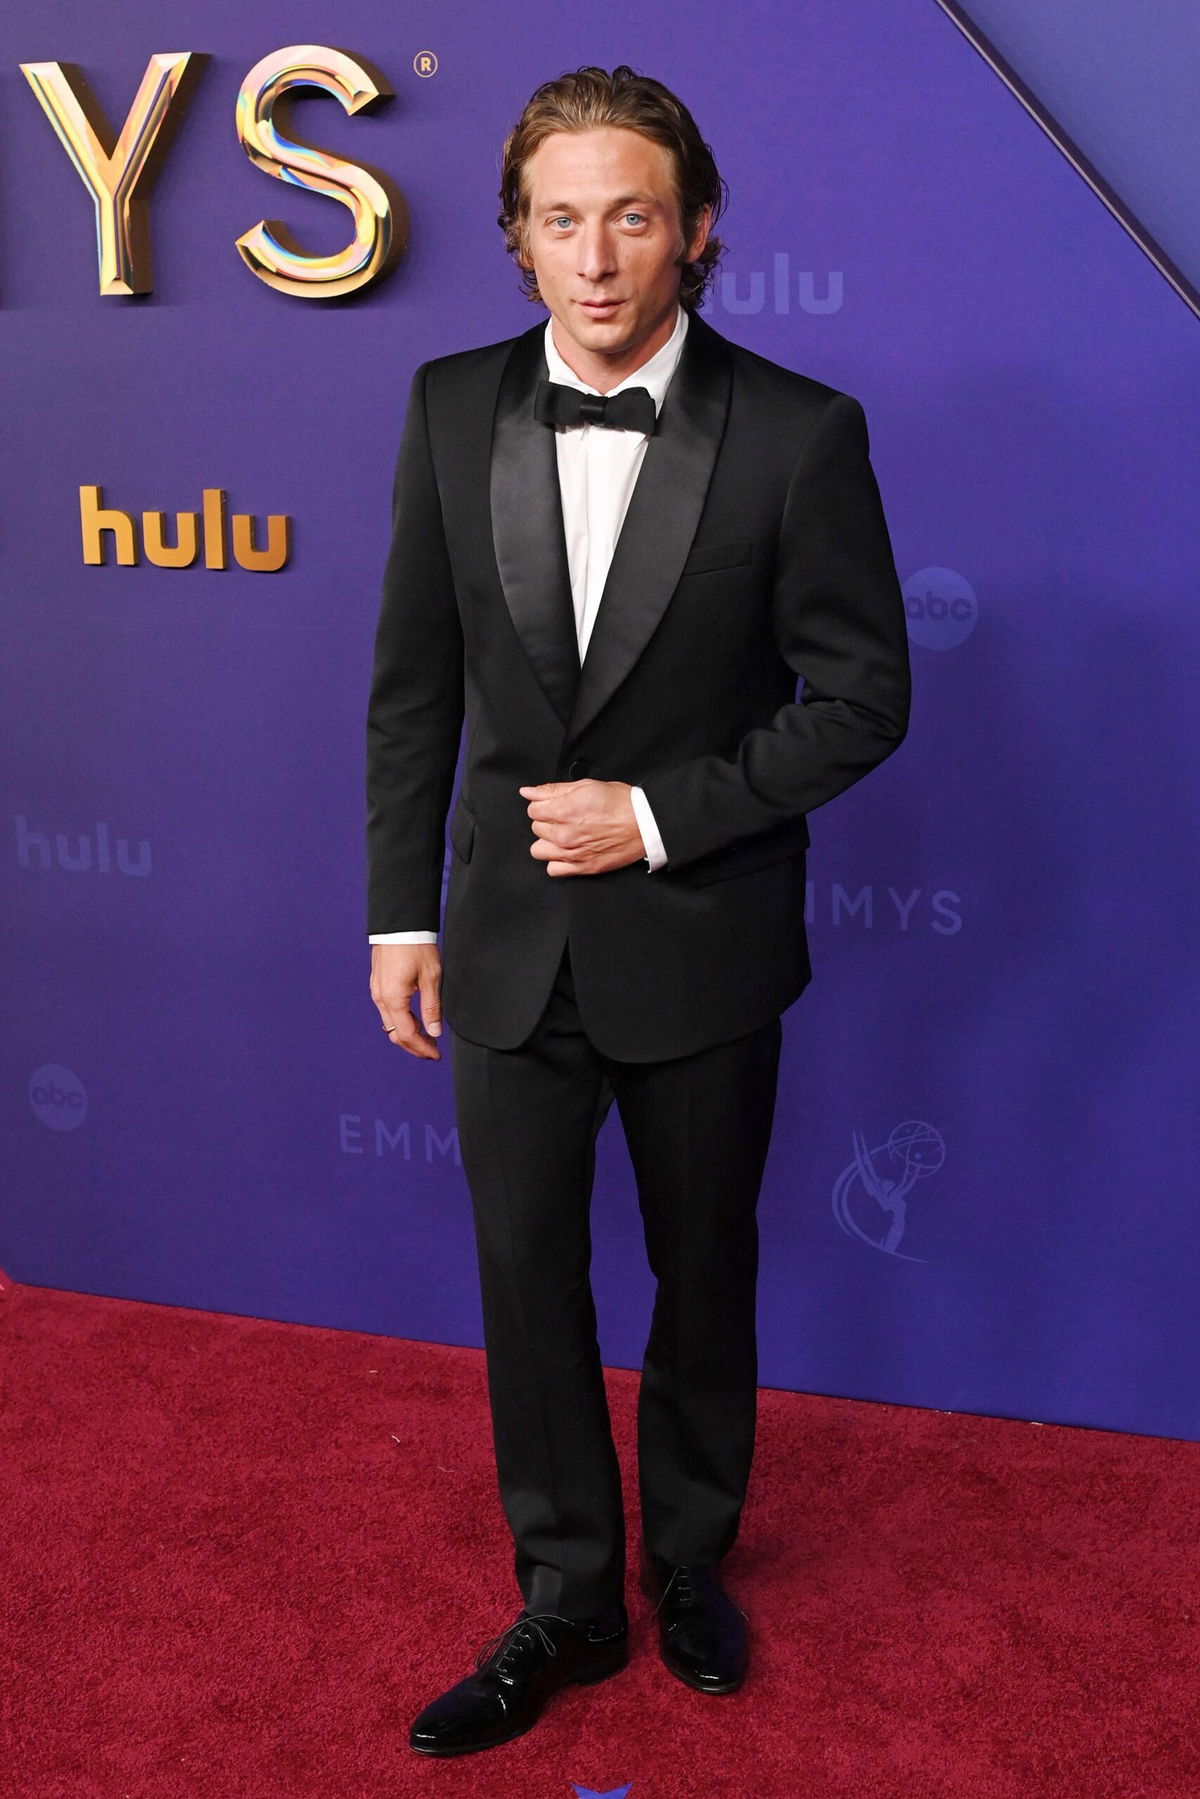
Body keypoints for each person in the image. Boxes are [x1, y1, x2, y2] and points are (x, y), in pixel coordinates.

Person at [365, 65, 911, 1757]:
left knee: (704, 1272)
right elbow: (413, 690)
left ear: (695, 234)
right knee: (526, 1280)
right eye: (560, 220)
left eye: (632, 216)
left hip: (705, 934)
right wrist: (399, 915)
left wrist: (663, 814)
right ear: (520, 242)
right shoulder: (449, 405)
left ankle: (687, 1562)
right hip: (506, 940)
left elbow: (862, 697)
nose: (596, 256)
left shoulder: (802, 430)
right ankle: (565, 1598)